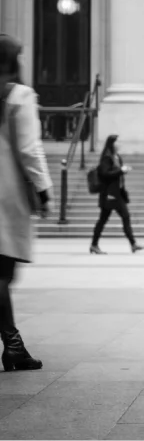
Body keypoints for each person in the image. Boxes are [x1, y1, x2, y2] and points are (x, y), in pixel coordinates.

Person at [0, 33, 52, 371]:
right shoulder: (18, 96)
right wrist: (44, 190)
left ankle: (14, 345)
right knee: (3, 271)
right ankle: (14, 346)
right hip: (6, 193)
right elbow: (30, 149)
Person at [90, 134, 144, 254]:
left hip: (117, 193)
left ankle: (95, 245)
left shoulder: (116, 157)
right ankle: (133, 244)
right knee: (123, 217)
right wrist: (120, 171)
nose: (119, 144)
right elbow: (104, 174)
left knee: (103, 220)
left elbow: (116, 173)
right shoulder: (107, 157)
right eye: (117, 142)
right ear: (112, 144)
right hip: (110, 195)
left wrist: (123, 171)